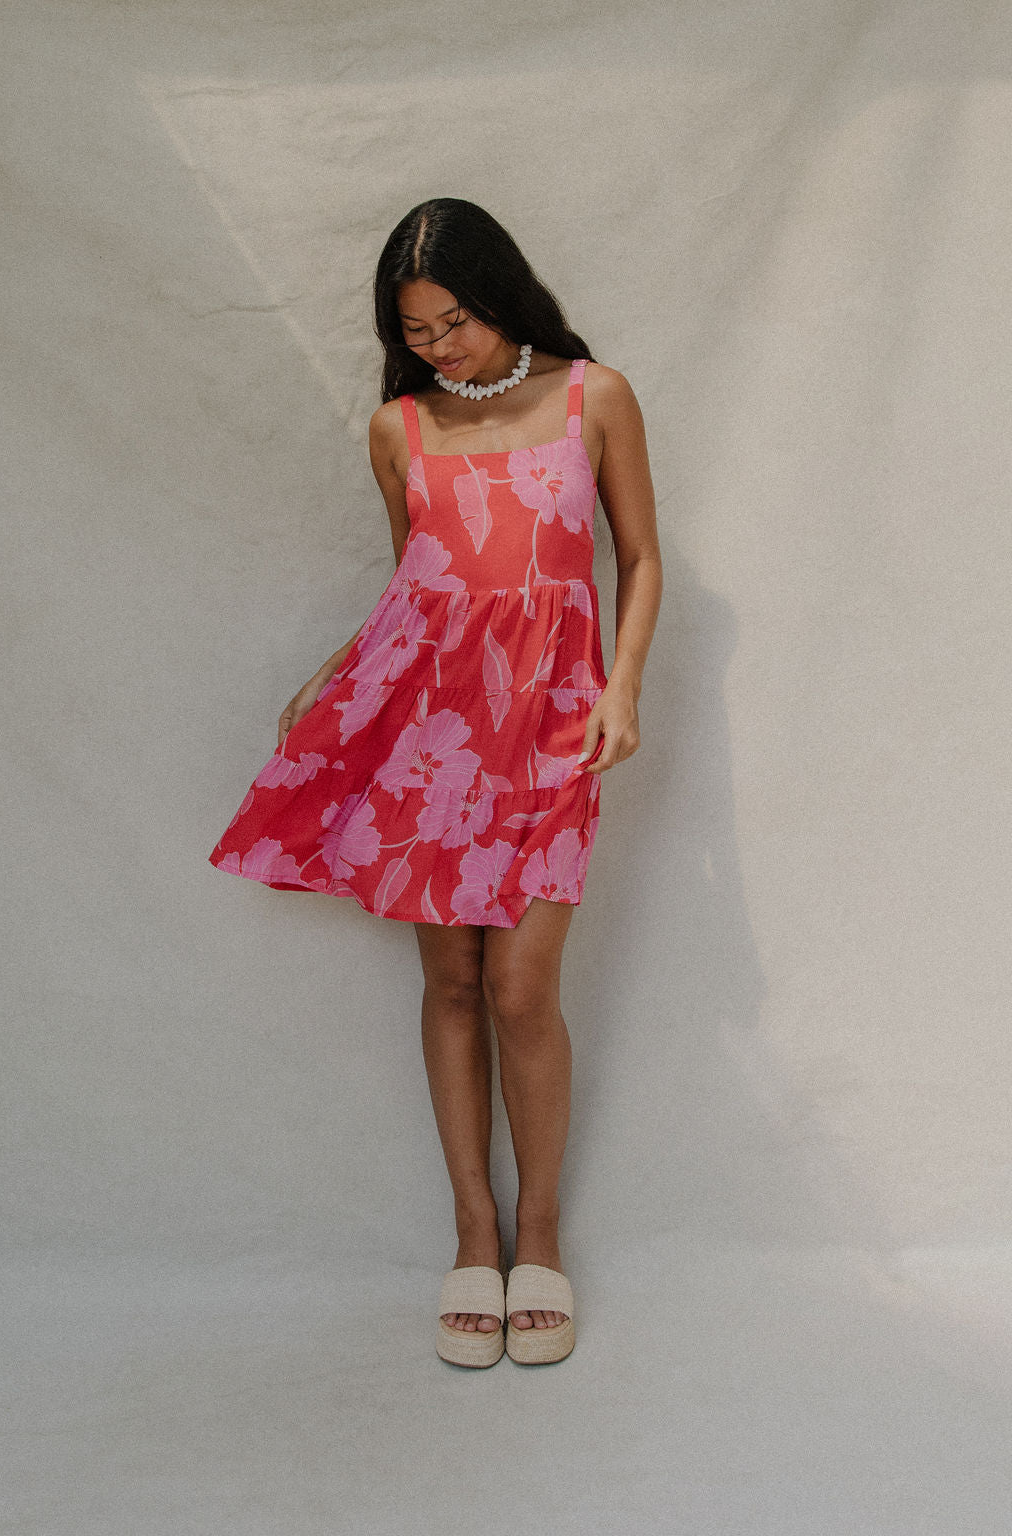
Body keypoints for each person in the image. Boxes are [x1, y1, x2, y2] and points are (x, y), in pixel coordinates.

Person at [208, 197, 662, 1367]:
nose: (438, 347)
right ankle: (474, 1234)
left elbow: (641, 555)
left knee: (520, 986)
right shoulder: (398, 428)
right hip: (429, 731)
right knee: (452, 981)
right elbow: (420, 585)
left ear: (500, 295)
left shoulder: (592, 397)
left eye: (453, 320)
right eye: (415, 330)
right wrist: (335, 672)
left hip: (553, 721)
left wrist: (622, 688)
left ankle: (542, 1235)